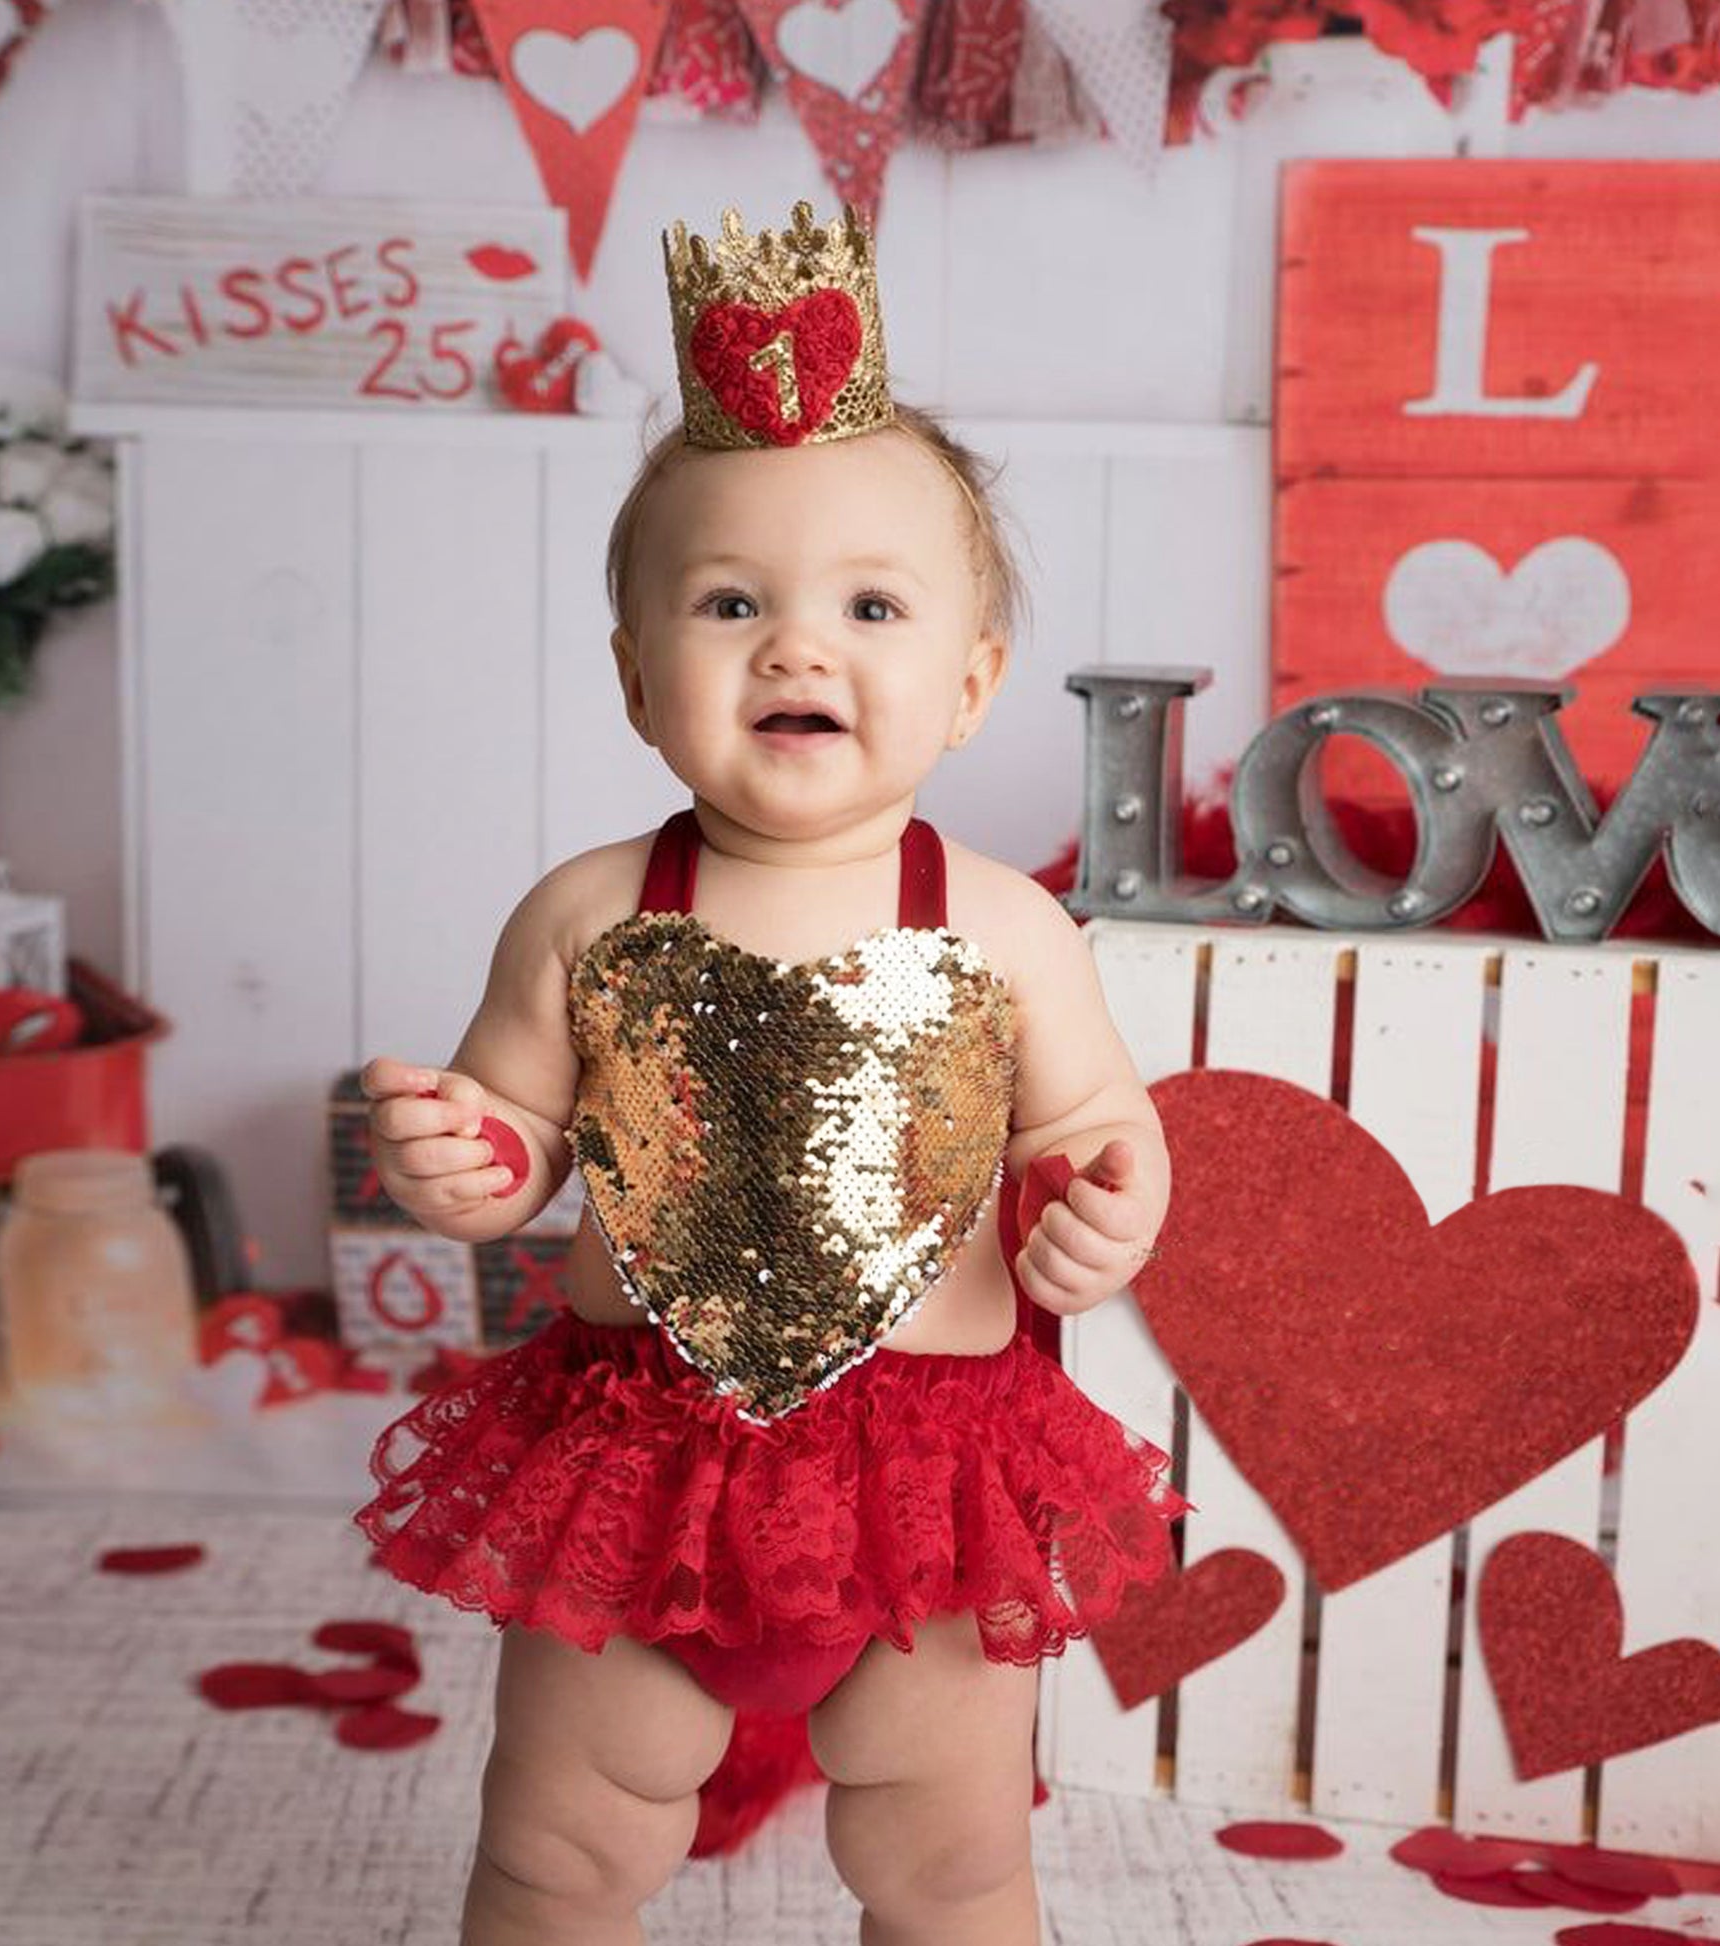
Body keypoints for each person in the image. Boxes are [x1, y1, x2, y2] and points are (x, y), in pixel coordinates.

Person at [355, 201, 1182, 1946]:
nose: (797, 647)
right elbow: (522, 1125)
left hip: (924, 1479)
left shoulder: (1006, 923)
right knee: (561, 1847)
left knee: (947, 1860)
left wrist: (1101, 1206)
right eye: (730, 601)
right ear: (638, 676)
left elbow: (1094, 1121)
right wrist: (468, 1153)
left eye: (868, 605)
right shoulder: (589, 910)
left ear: (964, 683)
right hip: (636, 1456)